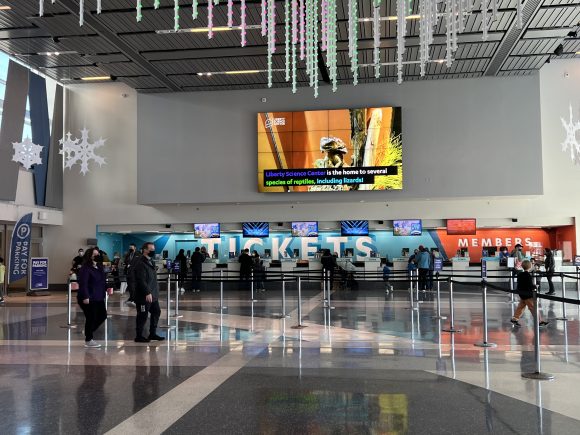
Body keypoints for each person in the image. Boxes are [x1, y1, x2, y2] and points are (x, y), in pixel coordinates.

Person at [133, 242, 165, 343]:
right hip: (144, 295)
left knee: (156, 311)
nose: (153, 251)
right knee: (142, 314)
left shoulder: (151, 261)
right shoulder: (140, 263)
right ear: (145, 250)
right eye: (151, 249)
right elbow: (141, 280)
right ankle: (139, 336)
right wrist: (147, 292)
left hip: (153, 294)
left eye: (153, 249)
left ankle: (153, 333)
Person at [77, 248, 108, 348]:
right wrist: (86, 296)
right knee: (91, 317)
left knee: (103, 315)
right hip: (88, 297)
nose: (97, 255)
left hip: (99, 296)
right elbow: (83, 283)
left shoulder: (99, 266)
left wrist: (107, 289)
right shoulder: (85, 268)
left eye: (98, 254)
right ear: (90, 256)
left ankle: (88, 331)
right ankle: (89, 339)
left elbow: (102, 280)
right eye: (95, 254)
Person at [510, 260, 549, 328]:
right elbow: (529, 285)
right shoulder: (528, 275)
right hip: (527, 294)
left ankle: (515, 319)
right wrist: (535, 286)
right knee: (533, 308)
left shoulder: (520, 274)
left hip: (522, 293)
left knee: (521, 307)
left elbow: (520, 284)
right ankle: (539, 321)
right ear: (530, 266)